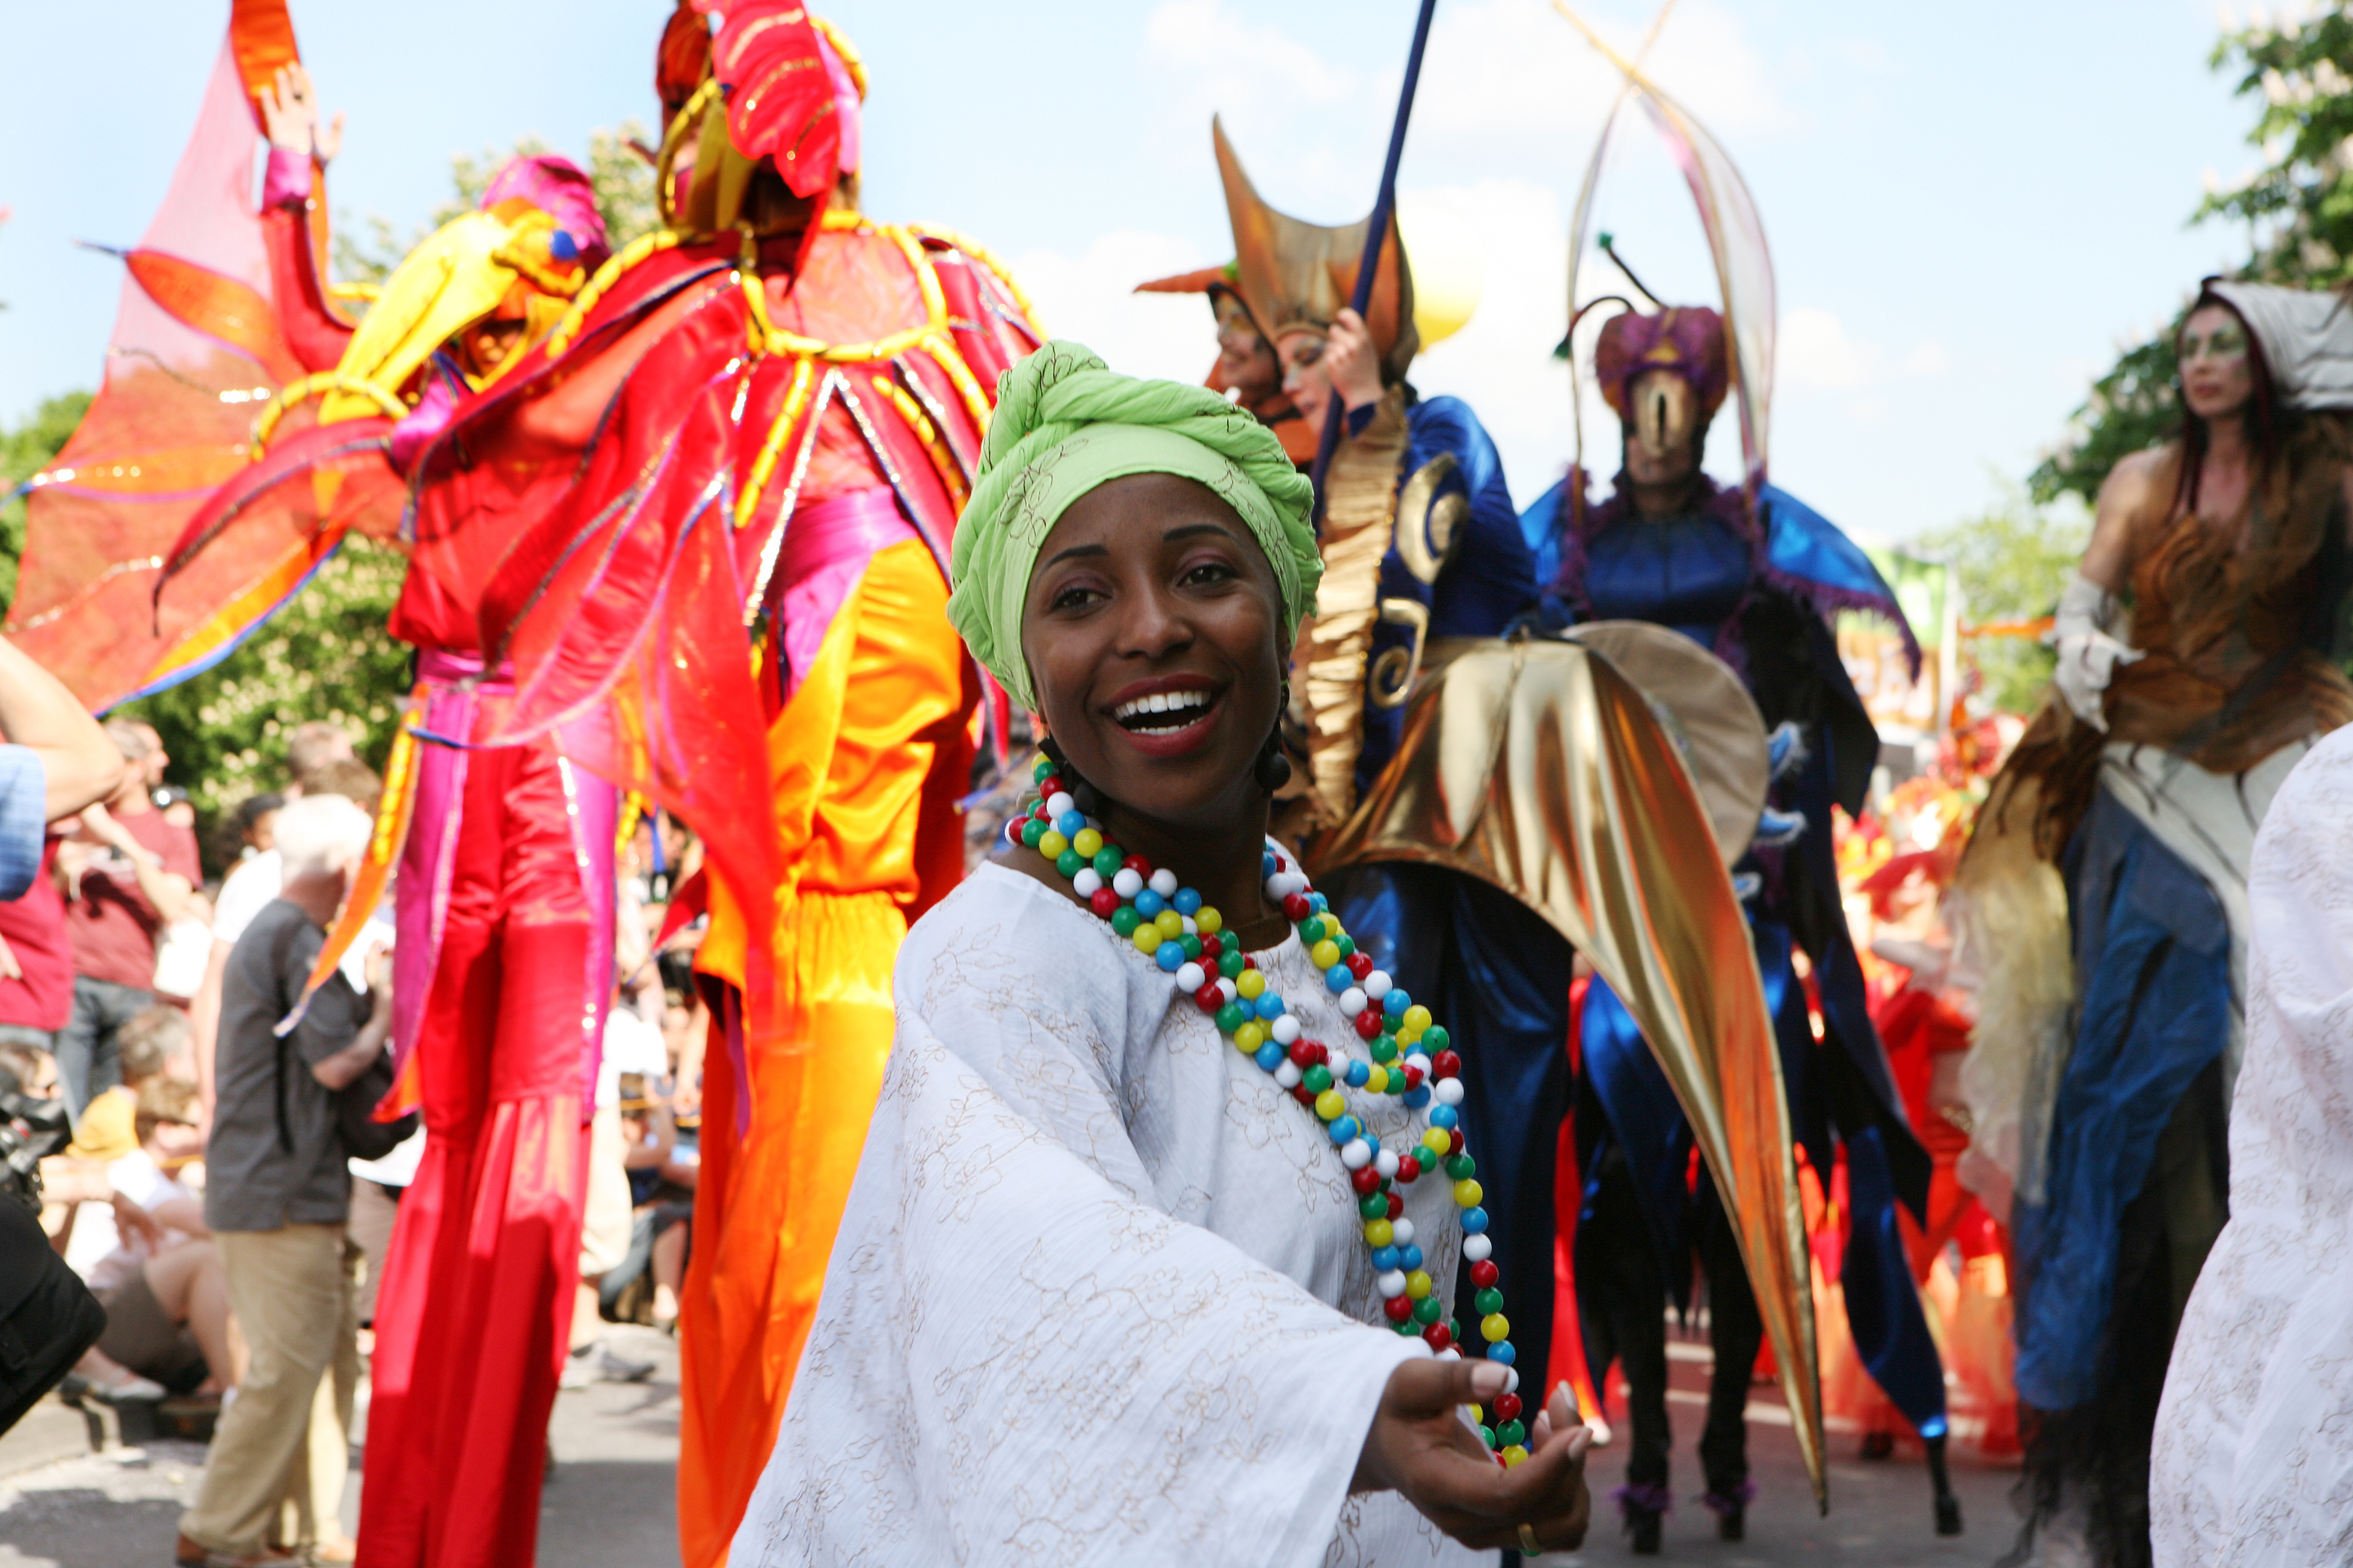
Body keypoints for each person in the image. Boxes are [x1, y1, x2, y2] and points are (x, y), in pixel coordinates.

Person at [733, 342, 1595, 1563]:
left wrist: (1486, 1463)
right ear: (1026, 667)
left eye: (1201, 573)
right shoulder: (997, 957)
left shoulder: (1316, 944)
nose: (1150, 628)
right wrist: (1348, 1411)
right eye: (1078, 596)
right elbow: (1053, 1290)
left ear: (1283, 617)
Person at [447, 11, 1042, 1559]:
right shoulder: (898, 303)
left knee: (812, 1301)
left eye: (688, 109)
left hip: (851, 969)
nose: (673, 152)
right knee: (780, 1299)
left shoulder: (835, 311)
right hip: (809, 968)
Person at [1526, 299, 1952, 1547]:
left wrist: (1785, 760)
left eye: (1679, 399)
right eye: (1637, 398)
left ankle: (1719, 1440)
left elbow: (1827, 721)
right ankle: (1646, 1438)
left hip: (1749, 906)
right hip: (1614, 910)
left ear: (1705, 408)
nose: (1656, 423)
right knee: (1614, 1184)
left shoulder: (1761, 544)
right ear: (1614, 405)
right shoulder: (1563, 539)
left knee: (1746, 1186)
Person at [1961, 281, 2353, 1567]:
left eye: (2222, 344)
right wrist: (2098, 666)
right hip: (2147, 801)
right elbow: (2078, 615)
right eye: (2186, 345)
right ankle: (2131, 1453)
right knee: (2131, 1103)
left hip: (2274, 791)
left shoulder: (2322, 486)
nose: (2199, 363)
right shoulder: (2140, 478)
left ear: (2262, 366)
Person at [177, 793, 385, 1568]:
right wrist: (386, 1012)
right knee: (287, 1368)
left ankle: (302, 1526)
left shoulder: (281, 930)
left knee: (325, 1361)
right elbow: (334, 1063)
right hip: (277, 1192)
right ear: (341, 865)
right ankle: (217, 1529)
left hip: (282, 1187)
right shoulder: (297, 938)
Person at [55, 722, 199, 1126]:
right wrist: (65, 865)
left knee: (114, 1107)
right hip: (75, 977)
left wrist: (125, 845)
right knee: (64, 1100)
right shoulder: (75, 819)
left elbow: (173, 905)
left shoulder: (171, 834)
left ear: (134, 769)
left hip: (133, 983)